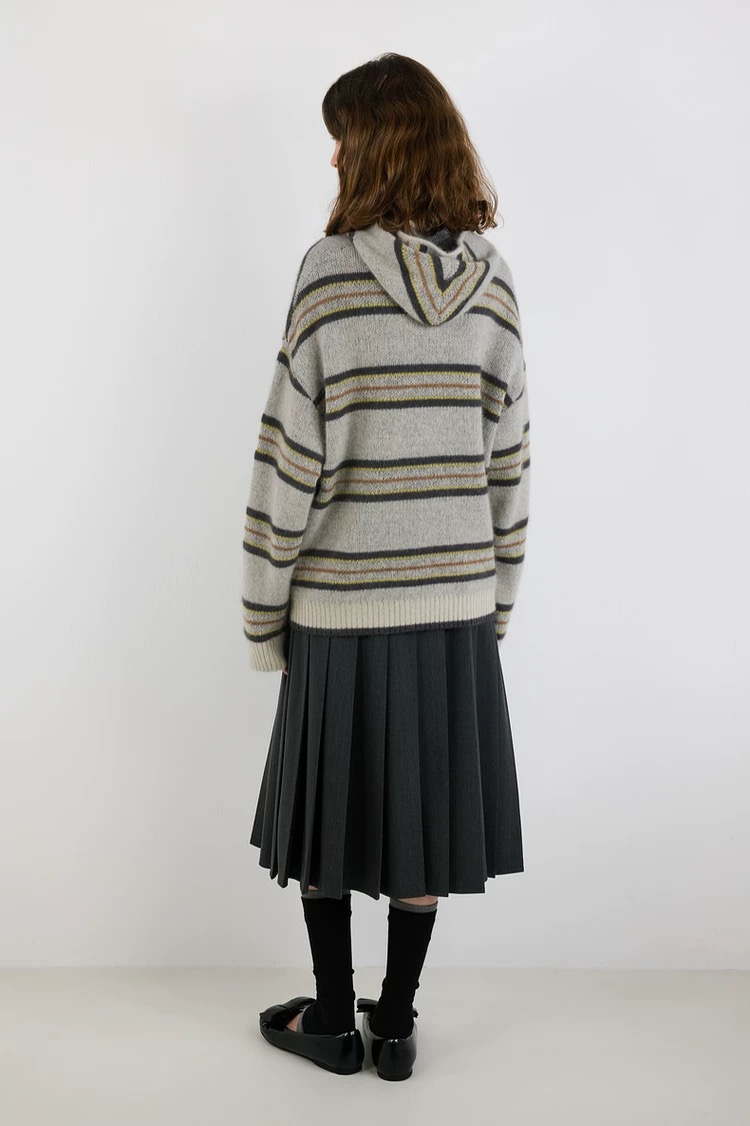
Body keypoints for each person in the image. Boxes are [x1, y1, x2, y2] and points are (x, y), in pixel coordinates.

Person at [242, 51, 531, 1080]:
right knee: (424, 820)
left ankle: (332, 1018)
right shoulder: (494, 283)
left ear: (376, 147)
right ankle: (396, 1024)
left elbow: (288, 461)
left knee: (329, 817)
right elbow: (509, 461)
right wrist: (495, 602)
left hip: (339, 604)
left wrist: (262, 615)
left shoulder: (329, 274)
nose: (333, 157)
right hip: (454, 604)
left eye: (343, 138)